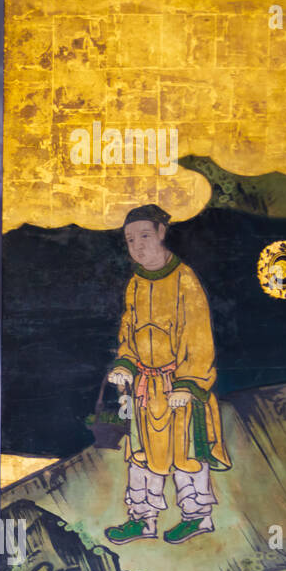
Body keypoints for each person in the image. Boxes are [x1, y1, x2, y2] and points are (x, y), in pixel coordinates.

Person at [103, 204, 231, 546]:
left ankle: (197, 516)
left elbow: (199, 338)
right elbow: (128, 332)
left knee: (186, 454)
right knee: (140, 455)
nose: (138, 246)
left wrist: (188, 384)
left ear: (161, 233)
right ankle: (142, 519)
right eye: (130, 240)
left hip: (179, 388)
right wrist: (124, 364)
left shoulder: (185, 280)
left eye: (145, 236)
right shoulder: (135, 284)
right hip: (145, 389)